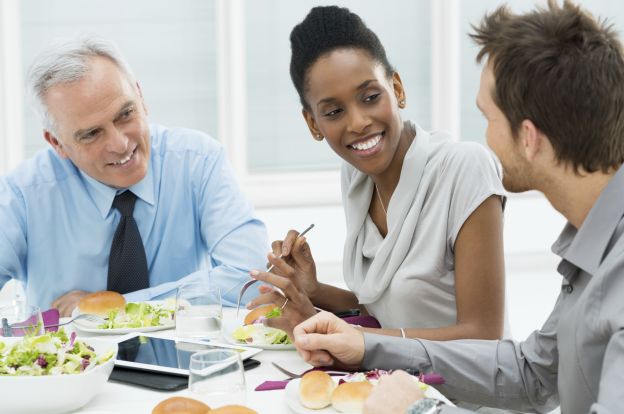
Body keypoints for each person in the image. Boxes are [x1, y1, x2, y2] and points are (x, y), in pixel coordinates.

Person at [292, 1, 624, 413]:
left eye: (487, 117)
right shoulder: (593, 244)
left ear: (529, 136)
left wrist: (418, 409)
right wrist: (364, 345)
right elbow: (533, 374)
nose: (483, 138)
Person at [248, 5, 506, 343]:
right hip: (393, 385)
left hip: (463, 394)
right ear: (313, 123)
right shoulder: (357, 179)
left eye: (370, 97)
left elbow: (483, 338)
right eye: (334, 111)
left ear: (397, 89)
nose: (358, 122)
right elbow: (388, 312)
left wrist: (350, 338)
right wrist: (313, 291)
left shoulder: (463, 169)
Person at [0, 37, 268, 315]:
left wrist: (116, 309)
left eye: (125, 114)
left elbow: (253, 279)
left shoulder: (197, 162)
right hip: (72, 359)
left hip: (183, 360)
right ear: (57, 143)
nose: (120, 144)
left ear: (140, 96)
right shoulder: (23, 195)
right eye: (92, 134)